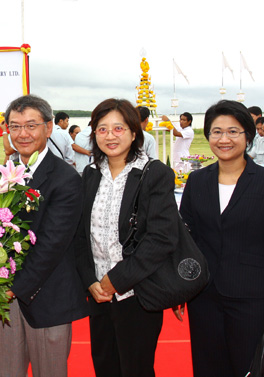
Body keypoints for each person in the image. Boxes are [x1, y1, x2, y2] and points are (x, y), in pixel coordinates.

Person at [177, 100, 264, 377]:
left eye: (233, 131)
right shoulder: (197, 181)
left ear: (248, 136)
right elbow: (186, 239)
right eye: (216, 132)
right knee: (207, 368)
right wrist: (180, 286)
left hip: (251, 299)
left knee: (248, 368)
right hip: (203, 297)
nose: (224, 139)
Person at [76, 98, 176, 377]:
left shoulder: (154, 173)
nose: (110, 136)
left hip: (138, 293)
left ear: (134, 133)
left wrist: (115, 280)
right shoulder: (90, 174)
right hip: (98, 294)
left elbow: (160, 239)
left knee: (136, 368)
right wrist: (91, 281)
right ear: (94, 134)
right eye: (102, 129)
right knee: (105, 365)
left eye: (118, 128)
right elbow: (80, 235)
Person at [0, 94, 88, 377]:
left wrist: (13, 288)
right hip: (5, 299)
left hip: (47, 296)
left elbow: (51, 246)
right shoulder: (5, 176)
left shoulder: (65, 179)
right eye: (15, 126)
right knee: (10, 372)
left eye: (31, 125)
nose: (23, 134)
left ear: (48, 128)